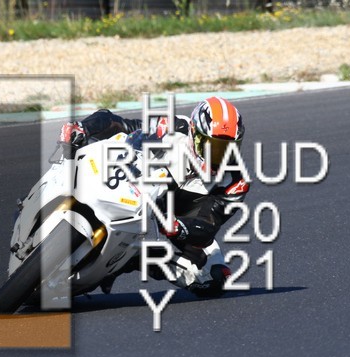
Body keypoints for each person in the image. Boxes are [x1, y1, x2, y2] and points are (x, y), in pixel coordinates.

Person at [58, 97, 248, 298]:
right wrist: (84, 128)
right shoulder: (173, 127)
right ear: (194, 133)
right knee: (84, 144)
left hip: (178, 220)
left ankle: (130, 259)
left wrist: (181, 228)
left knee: (215, 278)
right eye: (212, 147)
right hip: (136, 184)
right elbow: (122, 124)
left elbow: (208, 225)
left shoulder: (235, 182)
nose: (219, 156)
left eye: (228, 149)